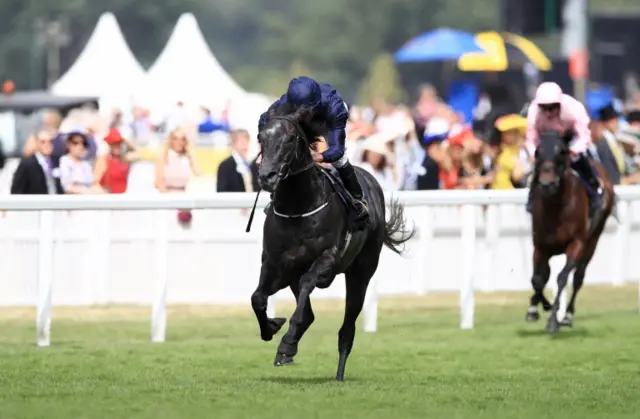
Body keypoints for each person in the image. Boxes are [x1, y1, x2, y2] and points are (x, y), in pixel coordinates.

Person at [257, 76, 369, 228]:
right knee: (287, 157)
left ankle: (357, 200)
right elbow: (264, 123)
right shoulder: (281, 106)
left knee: (339, 160)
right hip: (296, 123)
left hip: (325, 121)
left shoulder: (334, 107)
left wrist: (319, 156)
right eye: (297, 110)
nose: (301, 114)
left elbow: (337, 150)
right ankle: (276, 199)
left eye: (305, 111)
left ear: (313, 105)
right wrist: (267, 152)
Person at [524, 82, 602, 214]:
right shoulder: (533, 112)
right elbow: (531, 139)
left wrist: (573, 150)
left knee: (580, 162)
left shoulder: (574, 109)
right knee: (540, 167)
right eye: (544, 108)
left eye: (552, 107)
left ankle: (594, 191)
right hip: (547, 142)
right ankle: (531, 199)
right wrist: (534, 155)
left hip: (570, 139)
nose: (549, 112)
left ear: (559, 104)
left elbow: (584, 136)